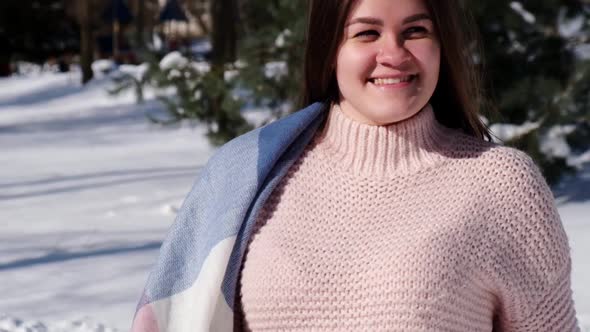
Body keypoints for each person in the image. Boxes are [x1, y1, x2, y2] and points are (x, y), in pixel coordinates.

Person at [132, 0, 580, 331]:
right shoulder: (250, 177)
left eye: (416, 31)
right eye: (366, 33)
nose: (394, 53)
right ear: (331, 51)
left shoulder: (499, 185)